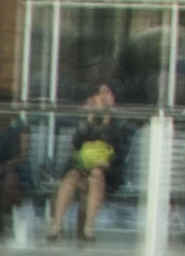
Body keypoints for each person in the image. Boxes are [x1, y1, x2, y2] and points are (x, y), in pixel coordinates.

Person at [42, 83, 131, 244]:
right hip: (82, 168)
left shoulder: (120, 121)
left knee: (96, 174)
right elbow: (76, 143)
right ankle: (56, 226)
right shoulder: (88, 117)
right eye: (99, 93)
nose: (102, 97)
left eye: (107, 93)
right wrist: (89, 118)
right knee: (70, 177)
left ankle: (89, 229)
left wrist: (107, 118)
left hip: (107, 172)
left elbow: (118, 147)